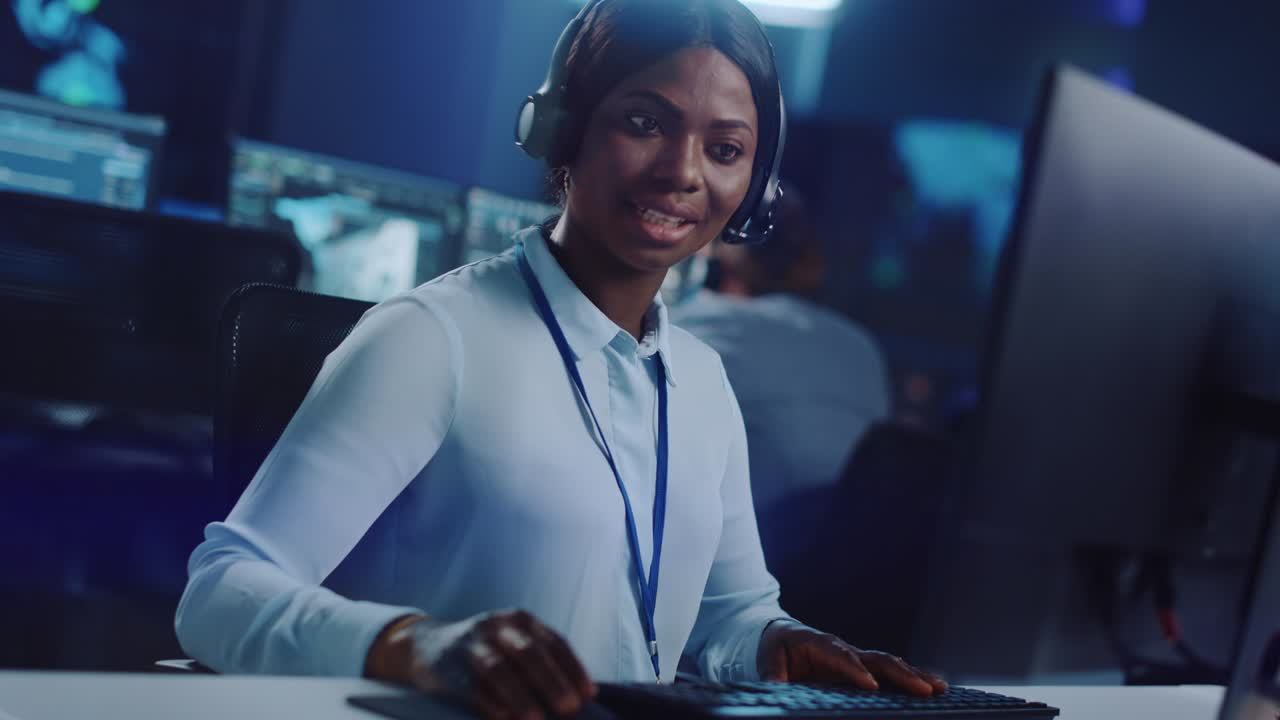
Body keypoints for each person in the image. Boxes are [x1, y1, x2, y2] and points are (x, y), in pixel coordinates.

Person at [174, 1, 945, 718]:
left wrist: (779, 643)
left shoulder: (702, 380)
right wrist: (416, 645)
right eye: (645, 122)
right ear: (561, 130)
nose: (682, 172)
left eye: (724, 149)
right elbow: (219, 592)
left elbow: (729, 615)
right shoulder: (432, 336)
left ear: (752, 188)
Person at [672, 185, 891, 517]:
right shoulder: (862, 346)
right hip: (853, 556)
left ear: (718, 267)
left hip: (751, 546)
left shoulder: (697, 329)